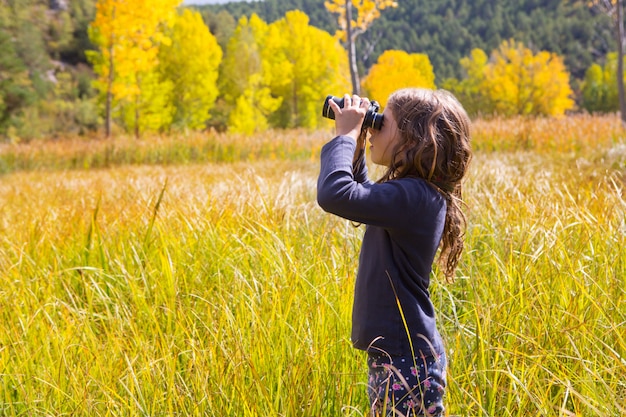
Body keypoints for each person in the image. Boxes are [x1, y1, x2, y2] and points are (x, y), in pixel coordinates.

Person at [317, 88, 472, 417]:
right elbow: (363, 197)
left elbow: (336, 194)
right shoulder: (414, 194)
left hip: (406, 359)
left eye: (381, 123)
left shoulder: (415, 196)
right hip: (401, 356)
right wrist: (357, 147)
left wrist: (345, 135)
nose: (372, 129)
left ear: (414, 140)